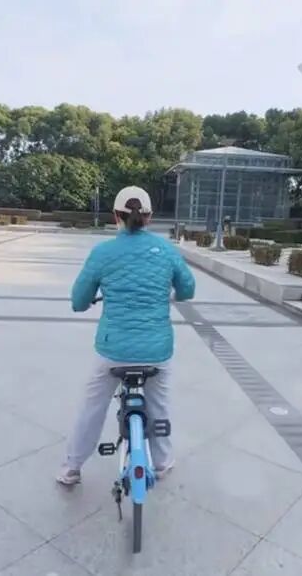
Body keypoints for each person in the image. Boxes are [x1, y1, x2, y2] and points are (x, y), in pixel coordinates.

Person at [57, 186, 196, 485]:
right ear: (149, 217)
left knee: (92, 407)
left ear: (115, 216)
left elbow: (78, 301)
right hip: (157, 350)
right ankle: (162, 462)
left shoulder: (102, 253)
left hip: (113, 351)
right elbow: (188, 289)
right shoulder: (166, 250)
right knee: (159, 405)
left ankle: (72, 467)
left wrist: (90, 300)